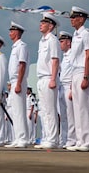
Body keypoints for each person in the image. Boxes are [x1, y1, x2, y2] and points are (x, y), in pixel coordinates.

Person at [67, 6, 89, 152]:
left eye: (74, 17)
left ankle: (88, 141)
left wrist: (86, 76)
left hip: (83, 73)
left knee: (84, 108)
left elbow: (88, 56)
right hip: (75, 73)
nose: (72, 20)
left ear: (82, 19)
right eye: (71, 17)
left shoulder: (86, 34)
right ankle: (80, 140)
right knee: (77, 109)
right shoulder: (75, 34)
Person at [34, 13, 61, 149]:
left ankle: (53, 138)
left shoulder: (52, 40)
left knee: (50, 110)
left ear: (50, 26)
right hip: (41, 79)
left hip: (49, 77)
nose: (41, 24)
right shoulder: (42, 40)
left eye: (44, 22)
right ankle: (46, 137)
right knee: (43, 110)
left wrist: (53, 78)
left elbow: (55, 60)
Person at [5, 21, 30, 148]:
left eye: (12, 31)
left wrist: (19, 83)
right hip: (14, 81)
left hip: (18, 81)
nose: (10, 33)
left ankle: (23, 138)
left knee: (20, 111)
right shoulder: (15, 47)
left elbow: (22, 65)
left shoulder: (22, 46)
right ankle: (18, 137)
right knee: (15, 112)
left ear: (18, 32)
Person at [58, 31, 75, 148]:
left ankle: (72, 139)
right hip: (61, 87)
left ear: (69, 43)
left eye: (62, 41)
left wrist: (73, 88)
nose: (60, 44)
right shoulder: (63, 57)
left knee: (71, 115)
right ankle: (64, 138)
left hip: (69, 86)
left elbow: (74, 72)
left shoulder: (72, 55)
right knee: (63, 116)